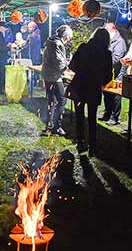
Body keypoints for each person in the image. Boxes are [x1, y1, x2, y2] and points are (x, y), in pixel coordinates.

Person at [67, 28, 113, 156]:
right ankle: (92, 144)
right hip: (94, 87)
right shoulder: (107, 53)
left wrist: (82, 71)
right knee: (92, 117)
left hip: (80, 85)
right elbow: (108, 75)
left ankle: (80, 141)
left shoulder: (83, 47)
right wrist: (100, 81)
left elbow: (72, 66)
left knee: (79, 115)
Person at [40, 25, 73, 136]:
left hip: (48, 74)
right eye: (69, 38)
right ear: (66, 36)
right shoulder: (57, 44)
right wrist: (67, 66)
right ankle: (55, 125)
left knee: (51, 100)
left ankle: (50, 125)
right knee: (61, 100)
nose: (68, 40)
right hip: (54, 76)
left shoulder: (50, 41)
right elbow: (59, 63)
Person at [100, 23, 127, 125]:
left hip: (117, 72)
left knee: (115, 95)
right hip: (108, 72)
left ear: (113, 30)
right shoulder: (109, 41)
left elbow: (116, 58)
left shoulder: (120, 42)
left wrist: (103, 61)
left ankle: (114, 117)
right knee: (106, 93)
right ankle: (107, 114)